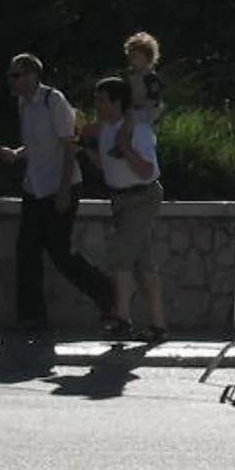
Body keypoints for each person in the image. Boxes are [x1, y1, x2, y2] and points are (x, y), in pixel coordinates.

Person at [0, 52, 114, 335]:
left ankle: (106, 293)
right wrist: (16, 154)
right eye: (11, 75)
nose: (12, 81)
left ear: (33, 75)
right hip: (34, 186)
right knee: (26, 252)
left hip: (60, 186)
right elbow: (37, 144)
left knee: (61, 252)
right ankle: (31, 317)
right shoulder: (23, 103)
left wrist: (63, 192)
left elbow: (68, 147)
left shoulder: (53, 101)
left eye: (17, 75)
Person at [90, 76, 168, 343]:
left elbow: (147, 171)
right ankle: (158, 324)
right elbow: (107, 166)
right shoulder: (106, 129)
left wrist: (125, 147)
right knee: (143, 260)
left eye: (101, 99)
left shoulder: (138, 130)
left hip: (141, 197)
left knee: (119, 256)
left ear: (116, 101)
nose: (96, 104)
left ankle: (121, 318)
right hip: (121, 199)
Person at [122, 30, 166, 125]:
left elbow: (153, 100)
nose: (131, 61)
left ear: (148, 58)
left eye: (135, 57)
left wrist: (134, 104)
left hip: (148, 113)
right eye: (130, 58)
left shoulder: (151, 78)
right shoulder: (131, 76)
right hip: (133, 110)